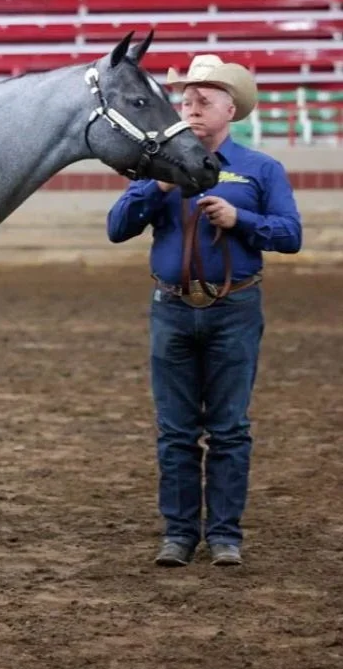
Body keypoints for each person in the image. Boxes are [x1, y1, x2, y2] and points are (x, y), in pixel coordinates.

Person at [106, 54, 302, 567]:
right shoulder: (160, 166)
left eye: (203, 101)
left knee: (229, 428)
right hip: (170, 309)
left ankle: (224, 535)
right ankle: (178, 534)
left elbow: (292, 234)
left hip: (234, 308)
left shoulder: (261, 169)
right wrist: (159, 186)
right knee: (175, 430)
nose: (191, 109)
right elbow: (117, 226)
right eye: (186, 101)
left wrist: (242, 218)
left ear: (229, 109)